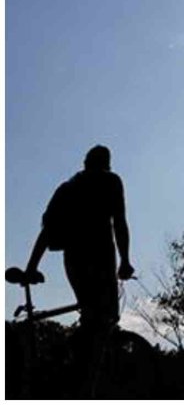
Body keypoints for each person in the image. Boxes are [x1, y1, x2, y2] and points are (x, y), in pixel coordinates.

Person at [24, 145, 134, 394]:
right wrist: (125, 260)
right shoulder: (110, 182)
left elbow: (47, 231)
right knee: (103, 320)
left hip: (74, 260)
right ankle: (84, 385)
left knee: (90, 315)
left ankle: (71, 362)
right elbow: (120, 223)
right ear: (107, 163)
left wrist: (31, 267)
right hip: (101, 256)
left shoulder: (68, 188)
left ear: (85, 162)